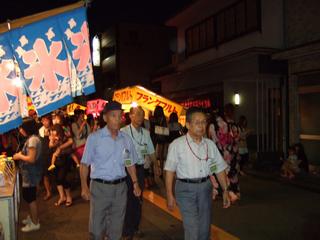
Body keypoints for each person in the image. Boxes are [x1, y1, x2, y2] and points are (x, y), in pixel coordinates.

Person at [165, 107, 230, 240]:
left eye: (204, 122)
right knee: (192, 228)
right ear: (188, 125)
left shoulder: (210, 145)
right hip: (185, 189)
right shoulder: (177, 145)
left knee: (205, 229)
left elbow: (219, 168)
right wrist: (169, 194)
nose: (201, 126)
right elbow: (170, 171)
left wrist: (225, 190)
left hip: (205, 188)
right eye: (197, 122)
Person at [80, 101, 142, 240]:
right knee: (96, 230)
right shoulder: (94, 138)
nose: (117, 119)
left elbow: (129, 163)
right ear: (105, 118)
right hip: (99, 188)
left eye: (119, 116)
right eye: (113, 115)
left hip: (120, 188)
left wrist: (135, 183)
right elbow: (84, 164)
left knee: (116, 229)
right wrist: (84, 187)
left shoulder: (126, 139)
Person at [121, 106, 157, 240]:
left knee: (138, 200)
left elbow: (151, 150)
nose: (140, 117)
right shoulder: (123, 132)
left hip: (141, 169)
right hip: (127, 170)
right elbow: (123, 154)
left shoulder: (146, 133)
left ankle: (135, 228)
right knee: (128, 200)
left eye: (142, 115)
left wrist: (156, 166)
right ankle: (126, 230)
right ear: (130, 116)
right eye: (137, 114)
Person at [13, 118, 43, 232]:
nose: (20, 130)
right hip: (30, 173)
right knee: (29, 197)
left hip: (31, 174)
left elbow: (31, 159)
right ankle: (33, 218)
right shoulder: (32, 139)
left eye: (22, 128)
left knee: (30, 198)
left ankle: (35, 223)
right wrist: (21, 154)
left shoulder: (33, 140)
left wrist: (19, 156)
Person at [38, 114, 53, 200]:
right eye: (43, 120)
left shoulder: (54, 128)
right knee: (45, 174)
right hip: (44, 154)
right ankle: (48, 192)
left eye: (46, 120)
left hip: (53, 153)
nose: (44, 122)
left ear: (49, 120)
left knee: (53, 173)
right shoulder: (40, 130)